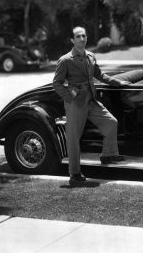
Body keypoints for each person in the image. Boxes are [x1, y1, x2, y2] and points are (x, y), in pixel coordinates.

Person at [53, 26, 130, 184]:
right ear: (72, 40)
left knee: (111, 123)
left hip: (91, 100)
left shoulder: (91, 56)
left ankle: (107, 155)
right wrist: (69, 97)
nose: (82, 39)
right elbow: (57, 83)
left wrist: (118, 81)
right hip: (75, 104)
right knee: (74, 138)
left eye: (84, 36)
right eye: (78, 36)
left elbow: (100, 75)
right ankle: (74, 174)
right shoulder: (65, 60)